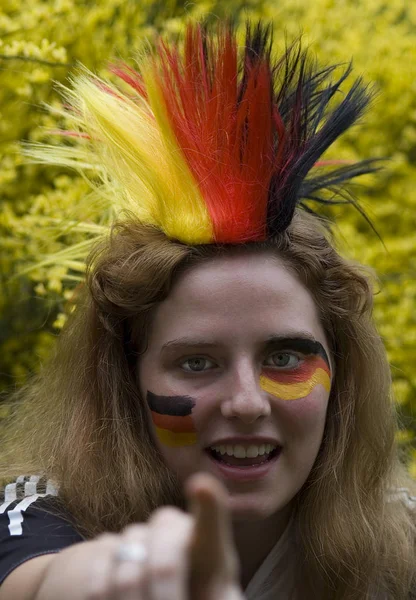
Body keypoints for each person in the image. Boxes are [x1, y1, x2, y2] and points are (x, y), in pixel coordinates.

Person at [0, 20, 415, 600]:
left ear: (343, 375)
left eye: (286, 355)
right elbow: (34, 579)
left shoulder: (400, 541)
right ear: (124, 378)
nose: (246, 403)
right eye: (196, 362)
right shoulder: (34, 513)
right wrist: (108, 577)